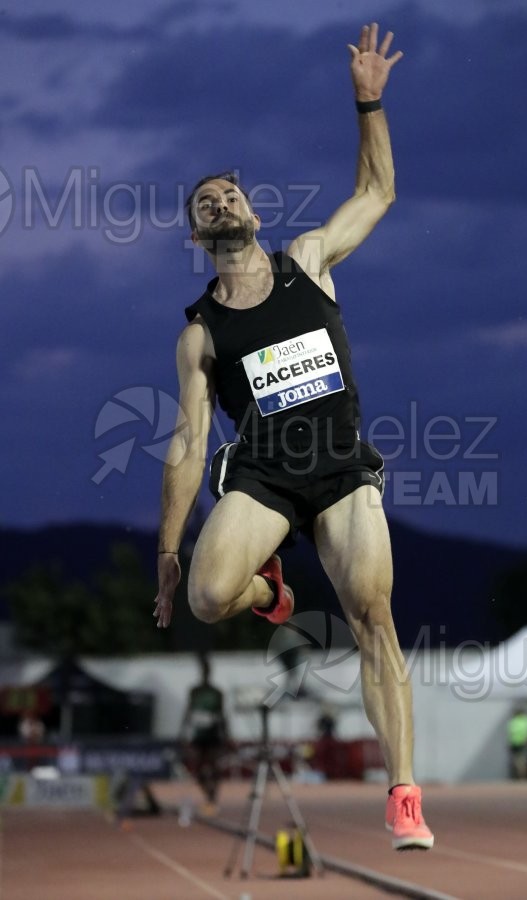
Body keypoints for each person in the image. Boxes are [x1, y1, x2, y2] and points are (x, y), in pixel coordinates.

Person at [153, 22, 434, 851]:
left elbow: (378, 192)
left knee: (372, 611)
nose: (220, 202)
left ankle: (405, 793)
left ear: (251, 208)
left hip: (342, 469)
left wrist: (369, 101)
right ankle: (271, 593)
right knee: (209, 598)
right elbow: (185, 444)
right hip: (265, 477)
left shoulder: (309, 260)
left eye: (230, 193)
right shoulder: (200, 334)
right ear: (196, 237)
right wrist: (168, 551)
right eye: (205, 204)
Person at [180, 654, 228, 814]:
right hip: (198, 735)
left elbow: (222, 715)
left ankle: (212, 799)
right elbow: (187, 713)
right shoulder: (194, 692)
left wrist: (227, 736)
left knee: (214, 768)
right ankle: (208, 795)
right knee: (198, 769)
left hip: (213, 734)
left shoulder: (217, 693)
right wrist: (182, 734)